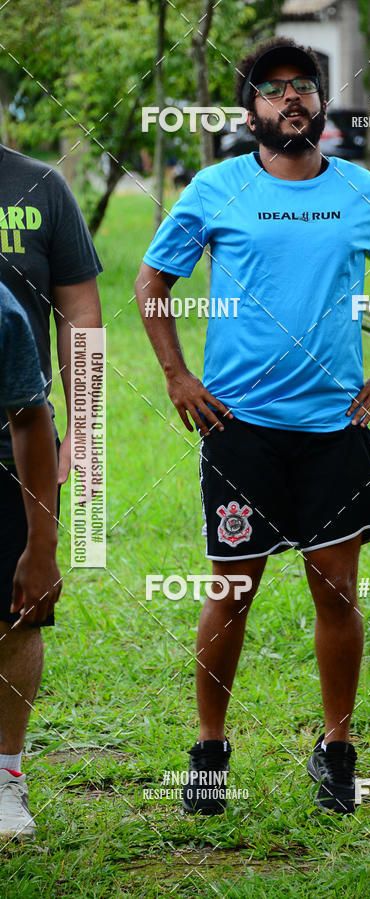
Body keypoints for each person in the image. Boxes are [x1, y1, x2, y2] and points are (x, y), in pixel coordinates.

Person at [135, 37, 370, 814]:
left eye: (303, 87)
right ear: (251, 109)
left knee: (337, 590)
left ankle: (336, 747)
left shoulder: (363, 194)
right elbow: (152, 279)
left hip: (333, 429)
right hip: (241, 429)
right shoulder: (217, 188)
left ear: (321, 104)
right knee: (232, 591)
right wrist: (175, 374)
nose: (289, 98)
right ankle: (208, 747)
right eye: (273, 88)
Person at [0, 145, 102, 837]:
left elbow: (81, 318)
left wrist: (84, 433)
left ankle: (6, 776)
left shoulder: (41, 185)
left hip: (15, 434)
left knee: (17, 612)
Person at [0, 283, 62, 839]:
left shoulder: (2, 309)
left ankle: (5, 778)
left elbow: (29, 416)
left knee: (14, 621)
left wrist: (41, 547)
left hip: (3, 469)